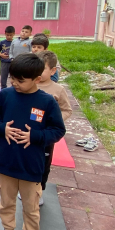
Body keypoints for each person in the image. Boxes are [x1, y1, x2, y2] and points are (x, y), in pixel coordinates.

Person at [0, 53, 66, 230]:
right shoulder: (5, 95)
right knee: (6, 201)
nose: (14, 83)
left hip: (31, 166)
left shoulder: (47, 102)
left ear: (37, 79)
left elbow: (58, 130)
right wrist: (2, 128)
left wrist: (36, 136)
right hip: (6, 162)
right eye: (12, 78)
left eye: (20, 80)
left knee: (31, 206)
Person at [36, 50, 72, 200]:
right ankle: (26, 187)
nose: (37, 72)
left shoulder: (57, 90)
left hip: (46, 136)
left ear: (52, 70)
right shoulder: (30, 85)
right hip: (28, 133)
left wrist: (54, 121)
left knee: (44, 163)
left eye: (42, 68)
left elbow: (66, 110)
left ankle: (39, 190)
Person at [0, 26, 15, 90]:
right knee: (3, 76)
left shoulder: (15, 42)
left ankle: (13, 88)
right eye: (7, 35)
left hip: (13, 62)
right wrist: (1, 55)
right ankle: (3, 88)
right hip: (4, 62)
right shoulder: (1, 42)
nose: (9, 37)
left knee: (13, 76)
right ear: (5, 34)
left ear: (14, 34)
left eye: (10, 35)